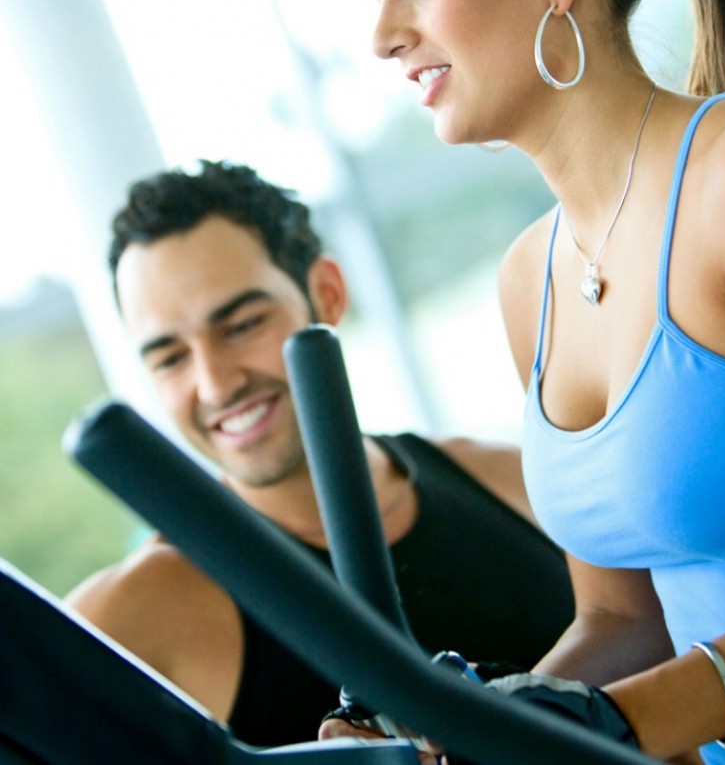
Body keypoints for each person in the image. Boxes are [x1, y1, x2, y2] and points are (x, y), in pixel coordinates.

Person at [323, 0, 725, 762]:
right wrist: (469, 726)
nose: (383, 38)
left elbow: (650, 701)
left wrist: (641, 720)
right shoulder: (527, 280)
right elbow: (626, 617)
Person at [65, 159, 575, 749]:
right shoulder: (144, 607)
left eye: (242, 325)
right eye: (170, 358)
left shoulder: (508, 479)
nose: (214, 384)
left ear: (327, 294)